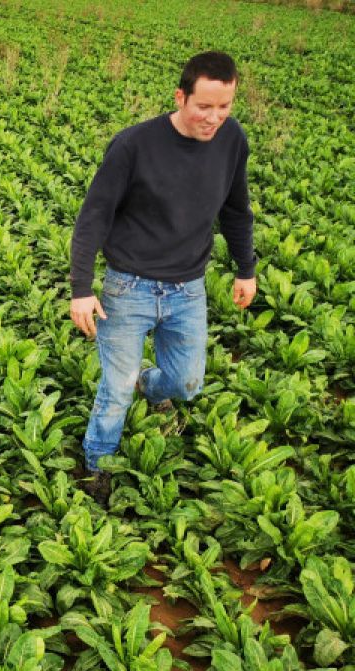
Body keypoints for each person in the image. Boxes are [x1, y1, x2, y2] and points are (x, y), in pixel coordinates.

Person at [70, 51, 258, 502]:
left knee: (188, 383)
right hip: (127, 287)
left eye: (225, 107)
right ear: (180, 96)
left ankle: (150, 384)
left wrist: (246, 268)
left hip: (187, 288)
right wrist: (80, 289)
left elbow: (236, 209)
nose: (214, 118)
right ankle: (96, 463)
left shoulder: (232, 140)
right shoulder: (134, 145)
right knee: (114, 390)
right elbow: (93, 216)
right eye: (204, 106)